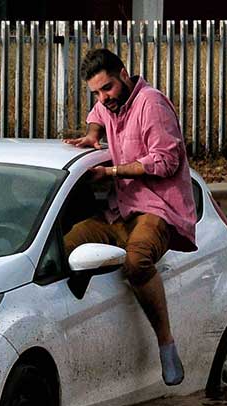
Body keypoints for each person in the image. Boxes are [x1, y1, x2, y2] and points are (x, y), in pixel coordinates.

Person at [64, 48, 197, 387]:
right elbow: (97, 113)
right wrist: (93, 134)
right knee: (64, 246)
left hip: (158, 208)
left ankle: (166, 344)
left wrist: (112, 172)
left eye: (106, 87)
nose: (102, 97)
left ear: (124, 75)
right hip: (119, 210)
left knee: (137, 261)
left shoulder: (151, 103)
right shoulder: (109, 104)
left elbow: (166, 161)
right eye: (96, 91)